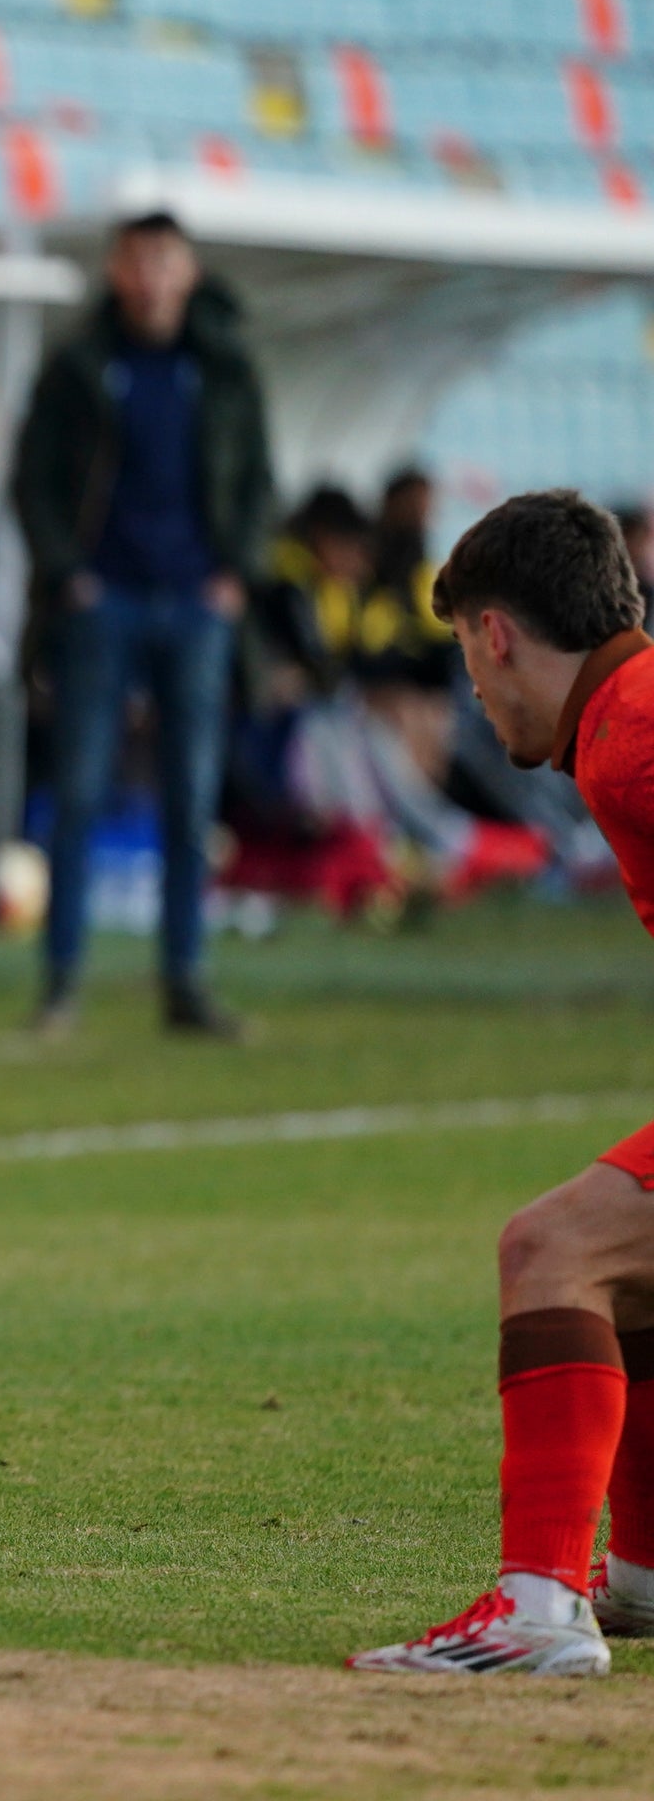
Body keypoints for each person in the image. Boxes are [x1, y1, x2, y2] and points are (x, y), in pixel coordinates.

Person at [350, 490, 654, 1676]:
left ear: (497, 634)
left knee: (551, 1248)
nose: (476, 692)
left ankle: (537, 1605)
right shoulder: (625, 716)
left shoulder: (633, 738)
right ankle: (641, 1574)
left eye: (470, 662)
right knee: (623, 1264)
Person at [10, 210, 273, 1039]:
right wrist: (69, 575)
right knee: (80, 794)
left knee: (190, 802)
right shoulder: (82, 365)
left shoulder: (224, 368)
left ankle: (185, 983)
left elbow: (259, 482)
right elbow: (31, 479)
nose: (152, 277)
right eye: (138, 261)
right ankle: (61, 982)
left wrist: (234, 574)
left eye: (166, 261)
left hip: (197, 603)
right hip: (105, 602)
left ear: (188, 273)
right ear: (117, 273)